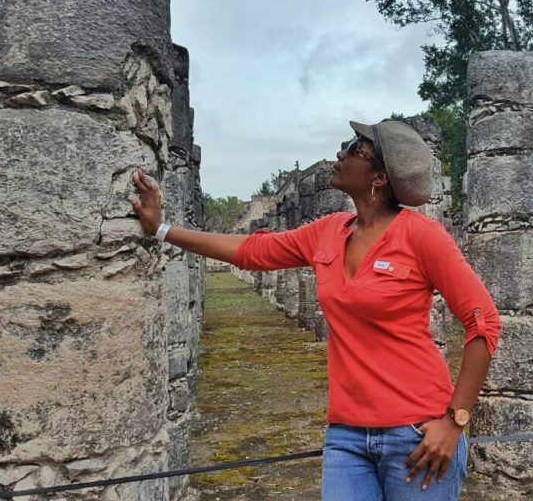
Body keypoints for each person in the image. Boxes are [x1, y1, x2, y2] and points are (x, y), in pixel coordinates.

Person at [130, 119, 501, 500]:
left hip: (418, 432)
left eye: (357, 150)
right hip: (347, 435)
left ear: (380, 178)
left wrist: (455, 421)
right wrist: (162, 229)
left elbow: (483, 323)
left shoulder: (422, 236)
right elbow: (252, 252)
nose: (341, 154)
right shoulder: (329, 231)